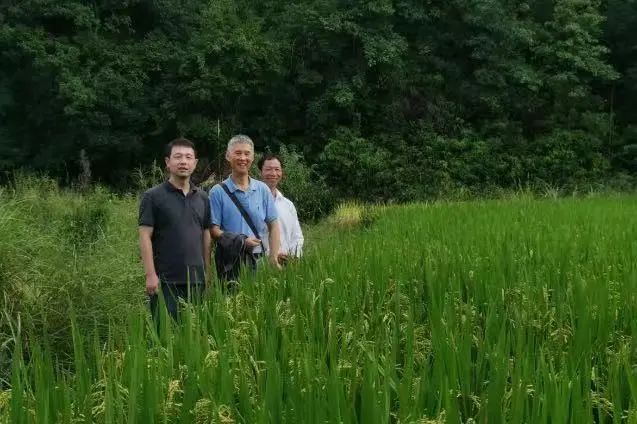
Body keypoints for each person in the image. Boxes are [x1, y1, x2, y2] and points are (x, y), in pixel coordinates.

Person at [138, 137, 211, 322]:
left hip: (196, 281)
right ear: (167, 162)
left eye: (188, 157)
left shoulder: (203, 198)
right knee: (164, 333)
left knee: (194, 333)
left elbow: (206, 235)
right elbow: (145, 236)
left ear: (195, 163)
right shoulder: (153, 196)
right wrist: (150, 275)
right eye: (178, 157)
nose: (183, 162)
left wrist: (207, 272)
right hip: (165, 281)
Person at [209, 135, 282, 285]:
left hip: (259, 260)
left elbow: (274, 225)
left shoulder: (262, 189)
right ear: (228, 156)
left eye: (247, 154)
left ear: (253, 157)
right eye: (238, 153)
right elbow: (213, 230)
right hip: (230, 262)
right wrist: (241, 242)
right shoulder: (217, 192)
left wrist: (273, 257)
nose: (243, 158)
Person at [258, 153, 304, 264]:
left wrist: (293, 256)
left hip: (288, 264)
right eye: (268, 169)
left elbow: (297, 236)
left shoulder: (288, 205)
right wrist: (273, 255)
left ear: (282, 172)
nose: (273, 173)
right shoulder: (252, 203)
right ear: (260, 172)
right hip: (261, 265)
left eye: (277, 169)